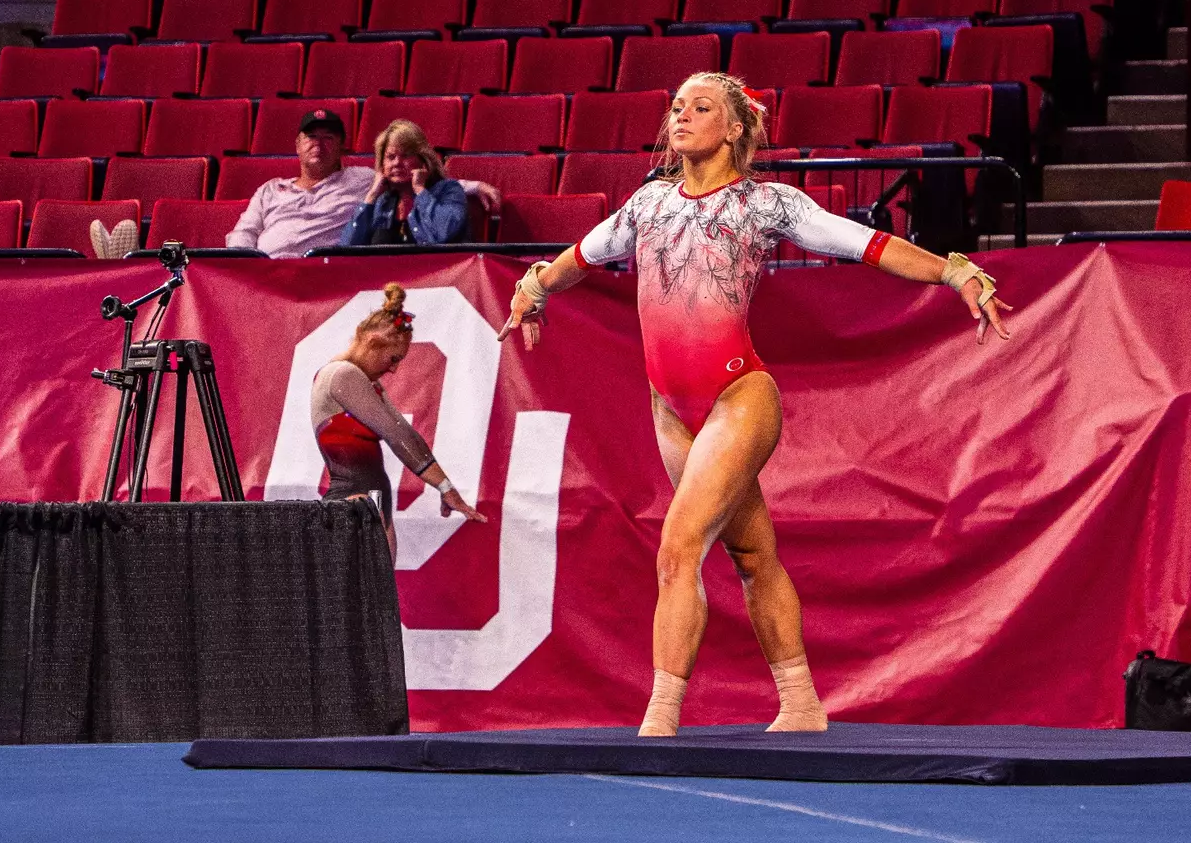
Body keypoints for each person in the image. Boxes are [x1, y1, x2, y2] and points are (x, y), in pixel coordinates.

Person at [497, 72, 1014, 738]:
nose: (681, 116)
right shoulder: (646, 206)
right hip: (670, 408)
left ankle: (658, 722)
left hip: (739, 395)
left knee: (678, 547)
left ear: (735, 128)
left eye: (701, 107)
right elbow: (577, 258)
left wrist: (954, 269)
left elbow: (868, 245)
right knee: (752, 555)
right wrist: (533, 288)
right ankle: (801, 704)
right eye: (676, 106)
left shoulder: (766, 204)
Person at [313, 282, 488, 550]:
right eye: (393, 358)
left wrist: (444, 487)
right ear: (372, 342)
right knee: (361, 591)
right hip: (352, 504)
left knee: (378, 592)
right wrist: (445, 488)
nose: (394, 369)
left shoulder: (367, 383)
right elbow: (398, 435)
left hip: (372, 501)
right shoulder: (341, 375)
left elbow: (406, 434)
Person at [227, 108, 375, 258]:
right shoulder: (270, 190)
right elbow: (244, 233)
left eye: (328, 138)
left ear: (341, 147)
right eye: (311, 137)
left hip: (326, 272)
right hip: (267, 273)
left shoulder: (363, 179)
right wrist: (244, 267)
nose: (318, 144)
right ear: (297, 145)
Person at [341, 120, 468, 246]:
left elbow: (446, 231)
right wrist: (372, 195)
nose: (397, 163)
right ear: (382, 165)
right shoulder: (381, 202)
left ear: (423, 160)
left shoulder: (448, 190)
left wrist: (419, 189)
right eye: (391, 157)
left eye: (406, 156)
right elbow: (347, 247)